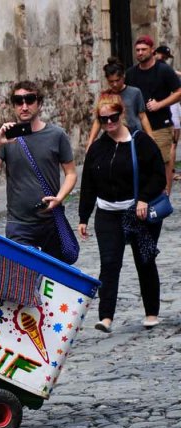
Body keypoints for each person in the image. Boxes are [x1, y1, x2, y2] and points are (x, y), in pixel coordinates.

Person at [78, 96, 166, 332]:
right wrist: (83, 217)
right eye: (103, 119)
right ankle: (105, 317)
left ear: (121, 114)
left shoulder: (141, 142)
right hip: (107, 213)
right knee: (109, 263)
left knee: (144, 260)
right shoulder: (97, 148)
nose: (108, 123)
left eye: (113, 118)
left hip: (137, 212)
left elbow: (158, 174)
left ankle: (151, 312)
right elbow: (88, 184)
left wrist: (144, 198)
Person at [0, 81, 77, 262]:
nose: (24, 106)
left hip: (50, 222)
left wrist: (60, 197)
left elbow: (71, 173)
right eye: (18, 101)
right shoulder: (7, 138)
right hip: (19, 225)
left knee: (53, 279)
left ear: (39, 103)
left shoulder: (56, 135)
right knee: (23, 280)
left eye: (29, 100)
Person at [125, 36, 181, 193]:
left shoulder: (163, 70)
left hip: (160, 124)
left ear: (152, 50)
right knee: (140, 163)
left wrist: (160, 104)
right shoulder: (131, 73)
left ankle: (165, 195)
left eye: (143, 49)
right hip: (137, 127)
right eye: (137, 50)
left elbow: (179, 92)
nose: (140, 53)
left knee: (163, 160)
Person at [85, 57, 153, 152]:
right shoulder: (105, 96)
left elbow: (142, 116)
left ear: (123, 76)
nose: (115, 84)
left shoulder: (135, 92)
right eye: (111, 81)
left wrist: (151, 138)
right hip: (114, 138)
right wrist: (90, 142)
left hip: (134, 136)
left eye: (117, 80)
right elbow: (98, 120)